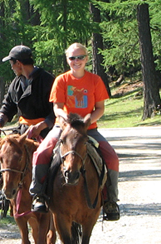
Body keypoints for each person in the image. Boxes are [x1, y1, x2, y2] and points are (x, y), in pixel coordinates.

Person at [29, 43, 120, 221]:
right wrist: (66, 120)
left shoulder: (95, 80)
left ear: (86, 59)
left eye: (80, 57)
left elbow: (100, 108)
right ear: (67, 59)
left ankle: (110, 200)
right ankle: (38, 194)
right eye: (72, 58)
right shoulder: (61, 80)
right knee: (41, 153)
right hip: (63, 128)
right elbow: (57, 107)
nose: (76, 61)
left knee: (112, 158)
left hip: (88, 129)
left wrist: (87, 121)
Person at [0, 45, 55, 212]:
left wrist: (42, 125)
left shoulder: (47, 80)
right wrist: (0, 120)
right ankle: (1, 191)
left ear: (18, 63)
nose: (11, 68)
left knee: (53, 158)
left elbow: (56, 109)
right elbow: (7, 105)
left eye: (11, 64)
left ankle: (50, 194)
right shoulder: (16, 83)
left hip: (46, 128)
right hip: (23, 129)